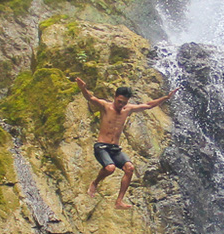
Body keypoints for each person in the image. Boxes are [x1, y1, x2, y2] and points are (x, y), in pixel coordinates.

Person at [72, 77, 174, 209]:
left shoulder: (128, 109)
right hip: (101, 147)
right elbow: (91, 98)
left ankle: (119, 201)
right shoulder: (105, 106)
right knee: (110, 168)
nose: (121, 105)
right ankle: (95, 183)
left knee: (130, 168)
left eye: (124, 102)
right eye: (119, 101)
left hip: (115, 149)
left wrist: (166, 97)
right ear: (115, 97)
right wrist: (82, 88)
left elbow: (148, 105)